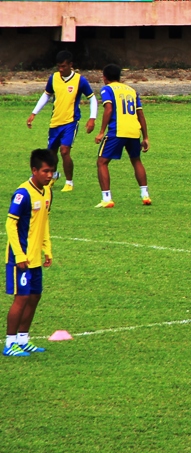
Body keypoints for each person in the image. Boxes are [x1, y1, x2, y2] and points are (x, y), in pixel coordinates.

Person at [5, 149, 56, 357]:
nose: (49, 175)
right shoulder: (23, 194)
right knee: (22, 298)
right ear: (34, 170)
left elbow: (44, 222)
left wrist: (47, 248)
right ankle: (10, 343)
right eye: (45, 171)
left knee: (34, 296)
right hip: (21, 258)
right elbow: (10, 225)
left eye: (52, 171)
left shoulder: (47, 192)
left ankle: (23, 339)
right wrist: (19, 255)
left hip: (35, 257)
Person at [26, 50, 96, 192]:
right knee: (51, 153)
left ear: (71, 65)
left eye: (63, 66)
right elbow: (46, 95)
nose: (61, 69)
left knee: (64, 151)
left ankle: (69, 182)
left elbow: (92, 98)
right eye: (59, 66)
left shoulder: (80, 80)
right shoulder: (54, 78)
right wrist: (34, 113)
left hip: (71, 121)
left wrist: (92, 118)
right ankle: (53, 176)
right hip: (55, 121)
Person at [93, 64, 151, 208]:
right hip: (133, 131)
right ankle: (145, 195)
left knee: (102, 162)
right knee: (136, 160)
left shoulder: (107, 89)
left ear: (104, 78)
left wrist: (101, 131)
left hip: (117, 131)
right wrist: (145, 137)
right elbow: (140, 114)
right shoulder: (131, 90)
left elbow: (108, 109)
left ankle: (107, 198)